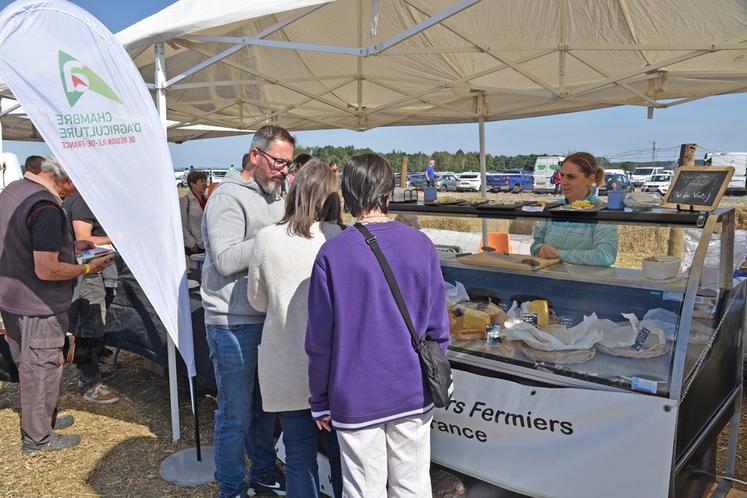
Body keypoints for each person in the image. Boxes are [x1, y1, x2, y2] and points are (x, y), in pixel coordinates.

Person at [306, 153, 450, 498]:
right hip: (412, 387)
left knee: (363, 490)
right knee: (413, 485)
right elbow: (438, 327)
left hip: (355, 394)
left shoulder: (332, 253)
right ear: (389, 192)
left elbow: (320, 339)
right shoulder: (421, 244)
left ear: (347, 193)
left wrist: (320, 399)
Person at [201, 125, 294, 498]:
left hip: (266, 320)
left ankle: (264, 474)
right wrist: (273, 237)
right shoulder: (226, 198)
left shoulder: (276, 195)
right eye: (278, 162)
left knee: (264, 410)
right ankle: (232, 487)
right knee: (235, 415)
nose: (283, 171)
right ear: (255, 155)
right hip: (232, 324)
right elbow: (224, 260)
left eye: (287, 165)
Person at [0, 155, 113, 452]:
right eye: (76, 182)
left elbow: (28, 243)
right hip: (38, 303)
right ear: (63, 177)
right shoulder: (47, 207)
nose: (76, 190)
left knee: (29, 364)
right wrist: (89, 268)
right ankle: (39, 437)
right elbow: (47, 268)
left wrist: (75, 246)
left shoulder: (14, 190)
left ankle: (41, 420)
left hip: (13, 297)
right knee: (42, 366)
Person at [247, 160, 343, 498]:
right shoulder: (337, 239)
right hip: (332, 370)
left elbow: (257, 301)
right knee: (341, 458)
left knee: (300, 457)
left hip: (283, 363)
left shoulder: (267, 238)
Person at [64, 193, 120, 404]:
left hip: (93, 271)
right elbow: (84, 239)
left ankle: (90, 373)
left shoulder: (83, 198)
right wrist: (118, 236)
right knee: (90, 327)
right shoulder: (83, 200)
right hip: (89, 272)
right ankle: (90, 382)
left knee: (92, 326)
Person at [531, 152, 618, 266]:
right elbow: (535, 245)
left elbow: (606, 256)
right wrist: (540, 249)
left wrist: (559, 255)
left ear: (590, 179)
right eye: (562, 175)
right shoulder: (552, 209)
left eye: (571, 177)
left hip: (585, 281)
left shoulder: (601, 211)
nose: (563, 182)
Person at [180, 170, 207, 255]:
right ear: (192, 184)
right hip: (195, 247)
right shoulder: (185, 200)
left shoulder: (207, 199)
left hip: (207, 245)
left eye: (205, 181)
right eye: (201, 181)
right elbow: (181, 225)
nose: (205, 184)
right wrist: (192, 244)